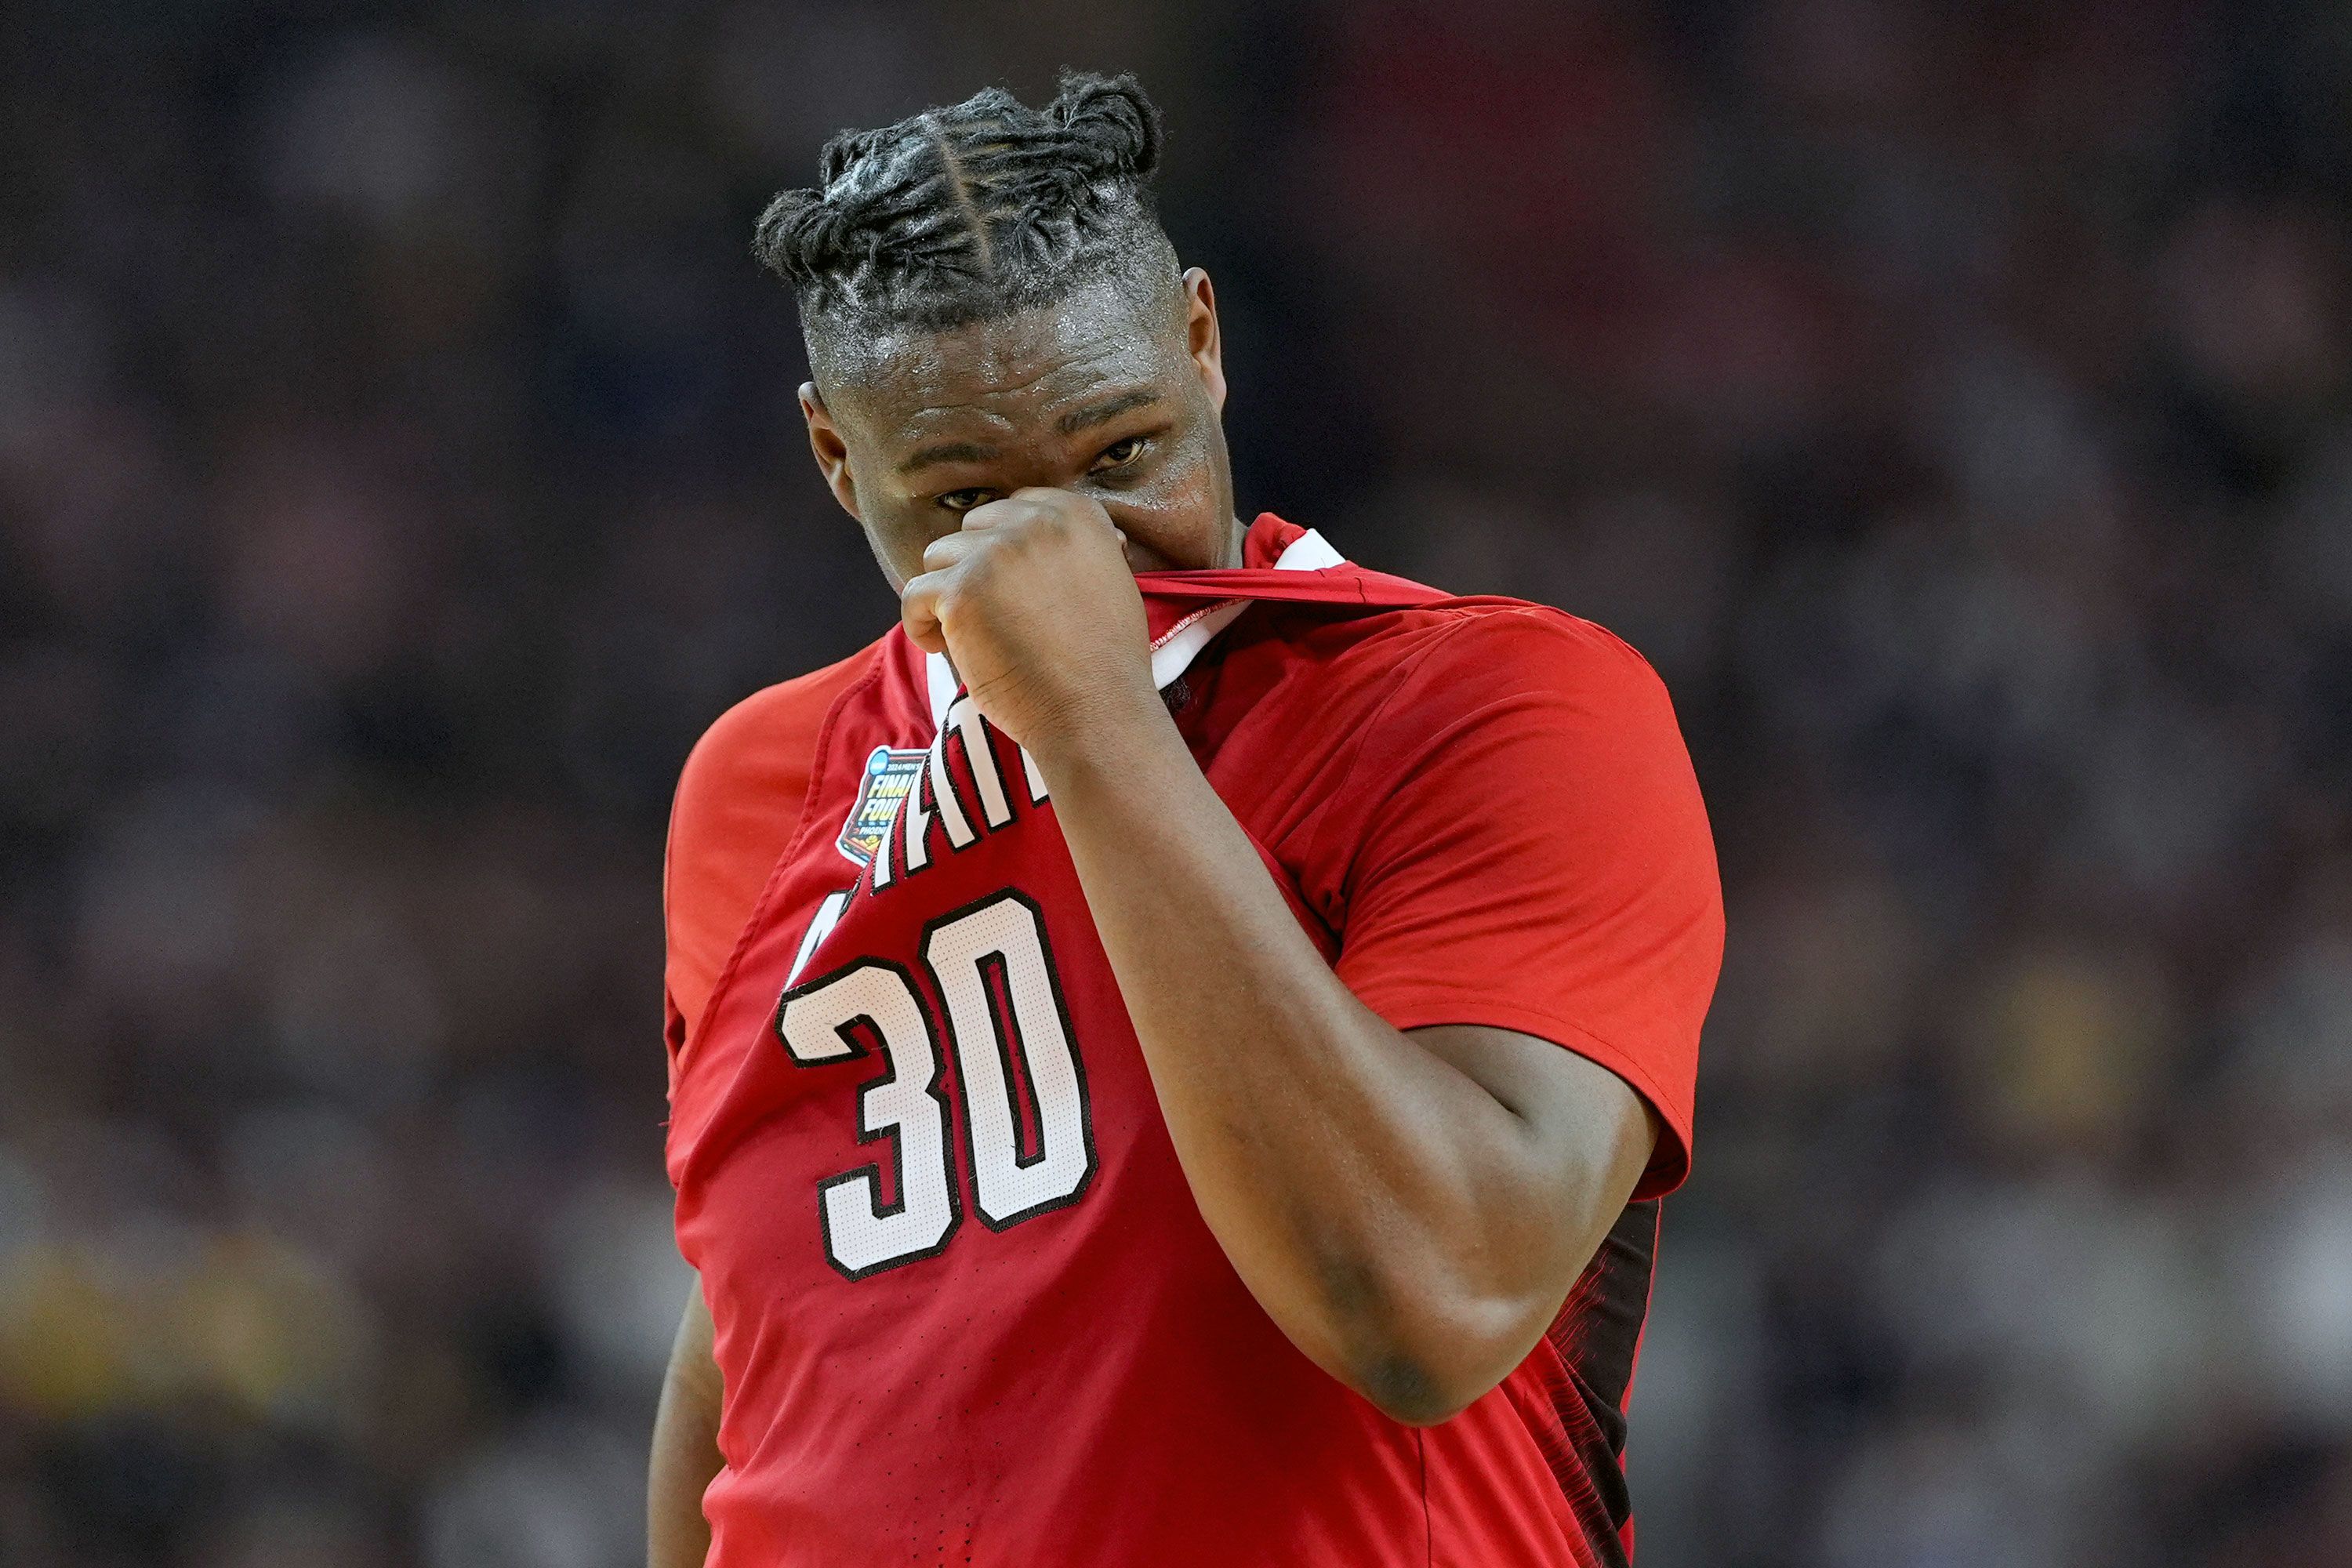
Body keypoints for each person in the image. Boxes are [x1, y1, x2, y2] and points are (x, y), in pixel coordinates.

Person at [647, 71, 1722, 1568]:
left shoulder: (1495, 706)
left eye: (1119, 458)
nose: (1056, 550)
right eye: (964, 498)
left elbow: (1434, 1303)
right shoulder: (758, 783)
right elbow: (758, 1335)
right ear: (839, 459)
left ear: (1203, 347)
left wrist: (1092, 724)